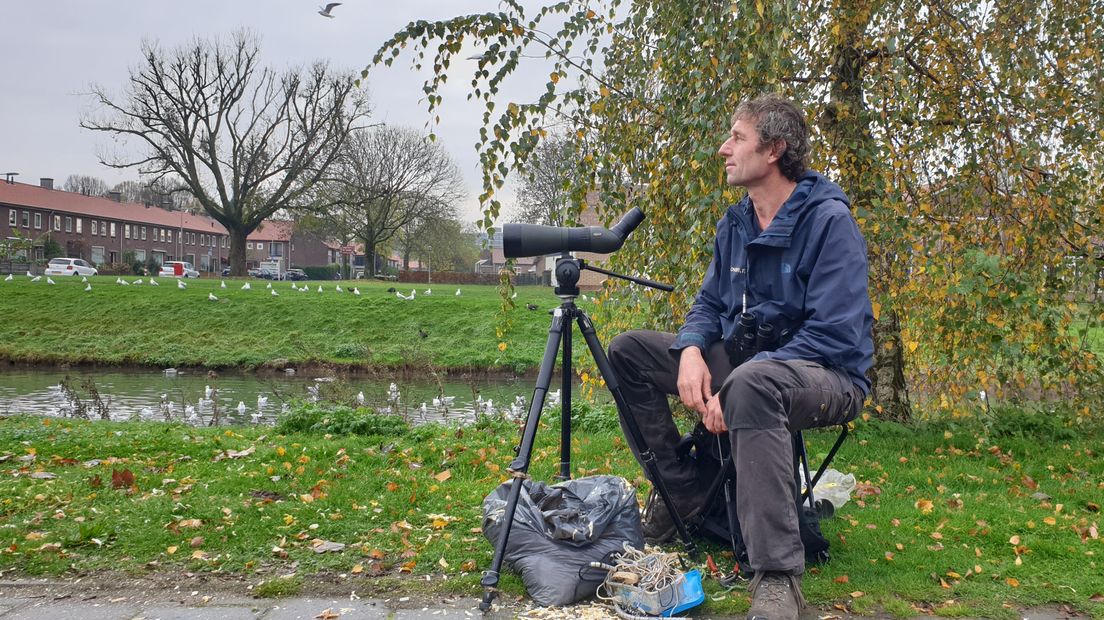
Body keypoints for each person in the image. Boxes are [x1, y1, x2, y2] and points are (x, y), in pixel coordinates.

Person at [608, 93, 873, 620]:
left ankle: (776, 579)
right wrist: (689, 351)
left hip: (828, 376)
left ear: (774, 149)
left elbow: (836, 334)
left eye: (737, 137)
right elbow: (708, 304)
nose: (723, 148)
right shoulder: (736, 222)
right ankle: (681, 491)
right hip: (748, 367)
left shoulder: (827, 221)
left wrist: (741, 376)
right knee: (628, 352)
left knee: (752, 384)